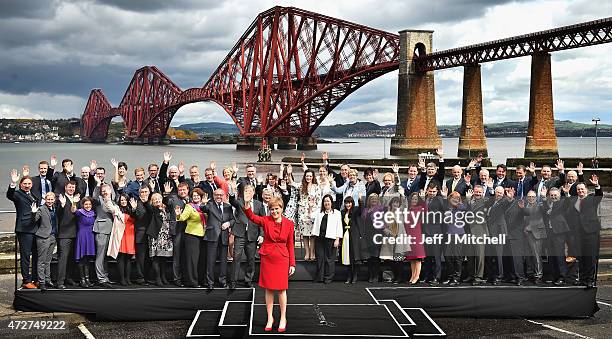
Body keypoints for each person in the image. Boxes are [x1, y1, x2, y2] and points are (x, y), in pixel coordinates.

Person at [242, 192, 295, 333]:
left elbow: (290, 244)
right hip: (268, 258)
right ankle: (270, 318)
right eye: (272, 209)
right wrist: (247, 203)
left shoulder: (289, 224)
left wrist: (292, 264)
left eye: (277, 208)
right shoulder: (265, 220)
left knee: (282, 289)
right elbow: (252, 217)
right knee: (269, 288)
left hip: (282, 259)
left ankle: (283, 318)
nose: (274, 211)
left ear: (281, 208)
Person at [565, 175, 603, 288]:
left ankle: (590, 280)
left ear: (586, 190)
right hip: (578, 234)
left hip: (590, 233)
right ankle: (582, 279)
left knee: (590, 258)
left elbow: (599, 195)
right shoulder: (573, 201)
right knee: (580, 257)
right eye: (578, 189)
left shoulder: (592, 198)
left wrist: (596, 185)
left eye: (582, 189)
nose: (580, 191)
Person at [228, 185, 265, 289]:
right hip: (240, 234)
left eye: (250, 191)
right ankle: (233, 282)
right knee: (236, 258)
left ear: (253, 192)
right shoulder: (239, 201)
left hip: (252, 235)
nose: (248, 193)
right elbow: (232, 201)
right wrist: (232, 191)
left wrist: (262, 234)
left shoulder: (259, 204)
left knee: (251, 259)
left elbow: (262, 221)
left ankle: (248, 280)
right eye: (246, 191)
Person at [7, 170, 38, 289]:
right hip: (24, 229)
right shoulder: (18, 194)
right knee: (25, 256)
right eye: (25, 183)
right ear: (20, 185)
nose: (27, 185)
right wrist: (12, 184)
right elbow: (10, 195)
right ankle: (26, 280)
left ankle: (36, 279)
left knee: (36, 255)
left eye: (29, 183)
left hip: (35, 228)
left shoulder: (33, 194)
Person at [199, 189, 234, 290]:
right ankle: (210, 282)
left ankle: (222, 281)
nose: (219, 197)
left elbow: (232, 219)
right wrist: (203, 203)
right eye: (216, 195)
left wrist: (228, 223)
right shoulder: (209, 205)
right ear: (213, 196)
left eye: (221, 195)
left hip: (224, 236)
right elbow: (203, 208)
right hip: (212, 236)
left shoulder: (228, 206)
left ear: (224, 196)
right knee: (210, 260)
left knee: (223, 261)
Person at [175, 188, 207, 288]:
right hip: (192, 236)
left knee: (201, 260)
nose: (196, 197)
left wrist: (205, 205)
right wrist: (178, 214)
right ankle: (192, 281)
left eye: (198, 195)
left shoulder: (205, 206)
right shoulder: (189, 206)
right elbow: (182, 218)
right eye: (194, 196)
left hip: (204, 236)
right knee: (192, 260)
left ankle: (200, 280)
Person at [311, 194, 342, 284]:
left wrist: (337, 239)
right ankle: (320, 277)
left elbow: (339, 226)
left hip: (331, 238)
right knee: (320, 258)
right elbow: (310, 216)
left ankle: (328, 278)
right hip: (320, 238)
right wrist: (310, 206)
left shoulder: (336, 213)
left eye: (328, 201)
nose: (326, 203)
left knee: (329, 259)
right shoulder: (319, 212)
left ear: (332, 202)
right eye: (325, 201)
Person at [163, 182, 190, 287]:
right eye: (180, 190)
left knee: (186, 256)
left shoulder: (191, 199)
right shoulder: (173, 198)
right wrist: (166, 194)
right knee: (177, 256)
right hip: (177, 231)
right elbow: (167, 203)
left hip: (190, 231)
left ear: (187, 190)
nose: (182, 192)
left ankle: (186, 277)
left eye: (184, 190)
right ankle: (177, 279)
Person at [379, 196, 411, 284]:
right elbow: (383, 226)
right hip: (389, 239)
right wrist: (389, 233)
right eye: (394, 202)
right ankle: (395, 276)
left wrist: (402, 195)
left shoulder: (401, 213)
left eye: (397, 203)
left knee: (399, 260)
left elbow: (405, 206)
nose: (396, 204)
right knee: (391, 260)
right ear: (391, 204)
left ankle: (400, 278)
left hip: (399, 238)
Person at [55, 181, 80, 289]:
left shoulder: (77, 199)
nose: (71, 189)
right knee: (63, 258)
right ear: (65, 187)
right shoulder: (61, 199)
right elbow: (58, 214)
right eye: (69, 187)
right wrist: (62, 205)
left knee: (71, 259)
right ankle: (60, 281)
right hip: (64, 234)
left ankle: (69, 278)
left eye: (73, 187)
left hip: (76, 233)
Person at [544, 187, 571, 285]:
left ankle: (562, 277)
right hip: (549, 233)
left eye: (555, 195)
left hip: (559, 232)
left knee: (559, 255)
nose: (553, 197)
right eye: (551, 195)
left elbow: (568, 203)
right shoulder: (547, 203)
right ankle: (554, 276)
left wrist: (567, 194)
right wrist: (543, 198)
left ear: (559, 196)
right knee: (551, 256)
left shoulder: (562, 202)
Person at [520, 190, 547, 284]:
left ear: (536, 197)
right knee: (527, 255)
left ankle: (538, 275)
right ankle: (530, 273)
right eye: (529, 196)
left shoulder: (540, 206)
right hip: (525, 234)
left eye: (533, 197)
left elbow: (544, 210)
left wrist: (544, 197)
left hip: (536, 234)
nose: (531, 198)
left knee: (536, 255)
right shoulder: (525, 206)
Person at [92, 183, 116, 288]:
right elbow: (94, 197)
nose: (105, 192)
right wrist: (97, 185)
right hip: (101, 230)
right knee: (100, 256)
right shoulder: (98, 200)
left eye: (107, 190)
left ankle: (105, 277)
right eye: (104, 191)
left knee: (105, 257)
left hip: (110, 230)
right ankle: (101, 279)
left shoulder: (112, 201)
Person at [293, 169, 321, 261]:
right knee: (305, 234)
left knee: (312, 234)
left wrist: (315, 209)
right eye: (307, 176)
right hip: (302, 211)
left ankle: (312, 252)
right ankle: (307, 252)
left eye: (310, 176)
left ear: (313, 177)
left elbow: (319, 200)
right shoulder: (301, 186)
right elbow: (292, 183)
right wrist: (289, 174)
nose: (308, 177)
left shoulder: (316, 187)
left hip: (313, 211)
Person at [114, 194, 142, 285]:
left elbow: (137, 216)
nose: (123, 201)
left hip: (130, 235)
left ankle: (128, 278)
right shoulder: (117, 210)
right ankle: (122, 279)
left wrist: (134, 208)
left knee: (129, 258)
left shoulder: (132, 209)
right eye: (121, 200)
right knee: (121, 257)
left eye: (125, 200)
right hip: (121, 234)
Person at [32, 192, 58, 291]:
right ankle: (41, 282)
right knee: (42, 261)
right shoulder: (41, 209)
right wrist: (33, 212)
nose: (50, 201)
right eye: (48, 199)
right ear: (45, 199)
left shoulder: (55, 208)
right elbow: (34, 219)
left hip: (52, 237)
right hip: (43, 237)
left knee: (48, 261)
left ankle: (48, 280)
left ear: (54, 200)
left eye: (52, 199)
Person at [147, 193, 174, 286]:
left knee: (164, 258)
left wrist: (166, 195)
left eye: (159, 198)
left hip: (166, 236)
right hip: (156, 236)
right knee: (156, 258)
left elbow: (169, 203)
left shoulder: (167, 208)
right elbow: (150, 207)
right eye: (155, 199)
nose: (157, 200)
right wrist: (156, 206)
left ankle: (163, 277)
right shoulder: (152, 209)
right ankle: (157, 278)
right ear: (152, 201)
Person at [340, 196, 367, 283]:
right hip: (345, 236)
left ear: (352, 203)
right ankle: (349, 276)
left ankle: (354, 276)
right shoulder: (343, 212)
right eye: (346, 203)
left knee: (354, 256)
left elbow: (362, 210)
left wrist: (360, 200)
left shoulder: (355, 211)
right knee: (347, 257)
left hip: (354, 236)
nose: (348, 204)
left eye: (349, 203)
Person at [443, 192, 466, 286]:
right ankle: (450, 276)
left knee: (457, 257)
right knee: (448, 257)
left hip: (458, 234)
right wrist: (445, 198)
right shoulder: (447, 206)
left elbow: (464, 208)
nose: (455, 199)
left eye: (457, 198)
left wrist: (456, 203)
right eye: (453, 197)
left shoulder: (460, 206)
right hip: (448, 234)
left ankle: (456, 278)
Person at [73, 197, 96, 288]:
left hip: (90, 237)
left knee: (87, 259)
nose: (88, 206)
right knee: (82, 258)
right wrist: (74, 202)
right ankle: (82, 280)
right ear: (83, 205)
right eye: (86, 204)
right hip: (82, 236)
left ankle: (87, 279)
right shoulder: (79, 212)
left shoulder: (93, 213)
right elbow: (73, 210)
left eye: (89, 204)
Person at [404, 192, 426, 284]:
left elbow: (426, 211)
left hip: (417, 234)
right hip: (409, 235)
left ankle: (416, 277)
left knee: (417, 258)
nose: (414, 200)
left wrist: (423, 199)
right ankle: (413, 275)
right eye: (412, 199)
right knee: (412, 258)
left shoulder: (420, 208)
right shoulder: (408, 209)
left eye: (416, 199)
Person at [363, 193, 384, 283]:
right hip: (368, 235)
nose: (374, 201)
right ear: (369, 200)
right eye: (372, 199)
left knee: (376, 257)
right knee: (369, 257)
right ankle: (370, 274)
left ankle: (376, 275)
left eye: (375, 199)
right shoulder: (366, 210)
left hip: (377, 235)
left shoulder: (381, 209)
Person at [133, 186, 152, 284]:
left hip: (151, 235)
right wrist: (134, 208)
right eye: (142, 192)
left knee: (149, 258)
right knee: (141, 258)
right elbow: (139, 216)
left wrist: (147, 203)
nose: (144, 194)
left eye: (146, 192)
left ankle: (146, 277)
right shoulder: (136, 203)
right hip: (140, 235)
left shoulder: (150, 202)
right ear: (139, 193)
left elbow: (153, 213)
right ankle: (140, 277)